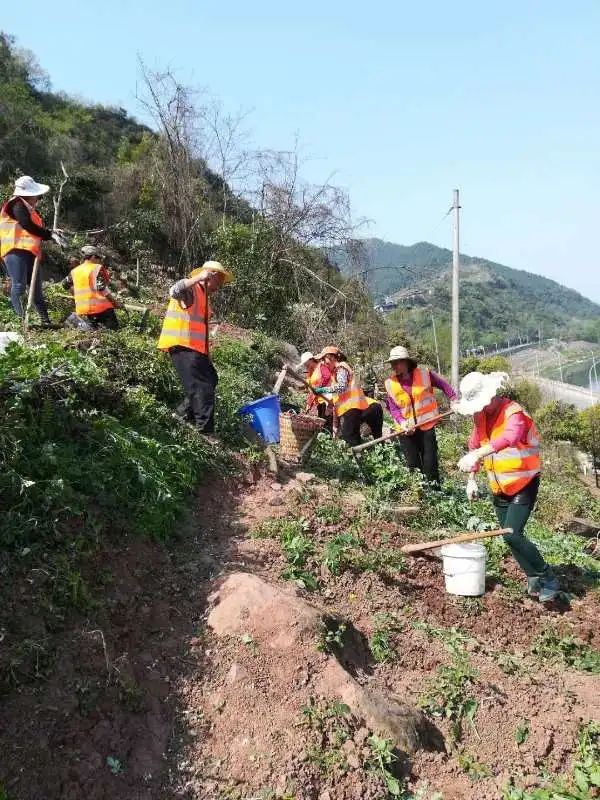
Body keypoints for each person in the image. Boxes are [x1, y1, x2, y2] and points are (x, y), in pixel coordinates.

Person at [454, 370, 559, 603]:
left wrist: (478, 454)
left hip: (524, 483)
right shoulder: (480, 416)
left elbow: (509, 438)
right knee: (507, 536)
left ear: (490, 397)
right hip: (498, 486)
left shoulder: (514, 413)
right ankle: (533, 577)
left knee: (513, 533)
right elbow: (475, 446)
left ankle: (548, 577)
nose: (478, 409)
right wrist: (472, 479)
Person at [158, 260, 233, 439]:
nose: (220, 286)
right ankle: (205, 431)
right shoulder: (191, 290)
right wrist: (199, 277)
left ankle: (182, 413)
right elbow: (173, 290)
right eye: (219, 281)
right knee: (202, 386)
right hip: (183, 344)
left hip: (196, 348)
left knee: (211, 379)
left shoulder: (204, 297)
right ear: (210, 275)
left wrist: (207, 354)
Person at [384, 346, 456, 487]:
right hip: (406, 431)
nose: (394, 366)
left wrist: (454, 399)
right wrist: (402, 422)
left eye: (397, 362)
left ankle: (436, 493)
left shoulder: (424, 374)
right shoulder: (390, 383)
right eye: (392, 363)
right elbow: (393, 408)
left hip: (426, 426)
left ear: (406, 362)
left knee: (430, 463)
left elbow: (443, 385)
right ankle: (421, 495)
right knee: (413, 465)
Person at [0, 175, 63, 324]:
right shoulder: (16, 204)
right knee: (19, 285)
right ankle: (20, 320)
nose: (38, 199)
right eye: (37, 196)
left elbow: (33, 231)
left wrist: (51, 233)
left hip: (29, 253)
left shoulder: (30, 211)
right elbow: (27, 225)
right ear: (29, 194)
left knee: (36, 291)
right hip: (15, 250)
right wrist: (49, 234)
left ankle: (45, 321)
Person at [312, 346, 383, 447]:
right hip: (359, 407)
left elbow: (341, 386)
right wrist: (335, 425)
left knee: (349, 438)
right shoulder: (335, 374)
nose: (323, 363)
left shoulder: (341, 368)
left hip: (352, 407)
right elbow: (336, 401)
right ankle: (364, 455)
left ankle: (356, 459)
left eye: (324, 359)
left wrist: (323, 390)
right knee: (360, 436)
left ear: (331, 358)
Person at [62, 245, 122, 329]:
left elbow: (64, 284)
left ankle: (75, 320)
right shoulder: (97, 269)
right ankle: (74, 320)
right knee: (113, 331)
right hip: (101, 309)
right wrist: (116, 303)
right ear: (93, 256)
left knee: (94, 330)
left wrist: (76, 295)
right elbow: (102, 289)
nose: (99, 260)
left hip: (84, 309)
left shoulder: (74, 271)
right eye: (98, 257)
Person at [297, 350, 333, 432]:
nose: (305, 365)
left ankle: (331, 438)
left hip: (326, 398)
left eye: (306, 363)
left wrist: (319, 388)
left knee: (327, 421)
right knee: (321, 421)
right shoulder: (310, 372)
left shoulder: (321, 367)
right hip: (318, 400)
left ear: (311, 360)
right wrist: (309, 402)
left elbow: (327, 377)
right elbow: (311, 388)